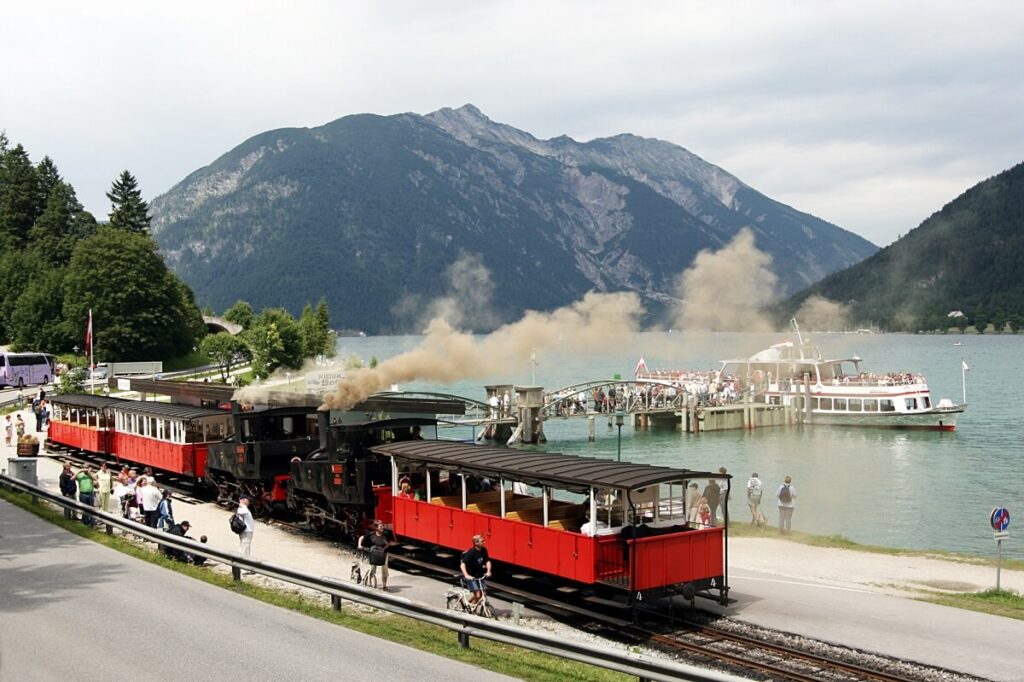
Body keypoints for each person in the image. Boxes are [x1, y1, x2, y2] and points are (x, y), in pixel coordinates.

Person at [357, 520, 395, 591]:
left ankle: (384, 586)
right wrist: (359, 545)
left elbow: (390, 542)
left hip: (383, 554)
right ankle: (372, 584)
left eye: (383, 526)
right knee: (372, 569)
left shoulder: (386, 534)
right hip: (373, 554)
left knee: (384, 569)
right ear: (376, 528)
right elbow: (361, 537)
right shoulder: (371, 534)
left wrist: (385, 547)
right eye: (381, 526)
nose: (382, 527)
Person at [460, 534, 492, 606]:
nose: (484, 542)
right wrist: (466, 575)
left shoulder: (484, 550)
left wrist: (488, 571)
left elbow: (487, 561)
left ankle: (467, 604)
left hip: (479, 575)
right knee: (477, 595)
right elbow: (462, 565)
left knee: (483, 594)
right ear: (476, 543)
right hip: (471, 576)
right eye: (482, 541)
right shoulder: (471, 552)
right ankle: (472, 611)